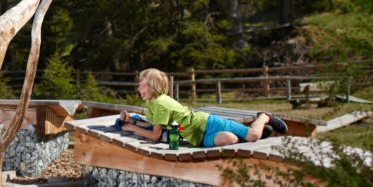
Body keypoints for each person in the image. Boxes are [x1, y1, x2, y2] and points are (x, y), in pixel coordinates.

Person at [117, 68, 288, 148]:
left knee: (253, 136)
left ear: (153, 86)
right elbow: (152, 125)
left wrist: (132, 128)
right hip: (197, 138)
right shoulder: (151, 103)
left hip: (207, 123)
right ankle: (251, 133)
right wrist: (132, 121)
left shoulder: (161, 103)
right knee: (229, 139)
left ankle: (263, 117)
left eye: (142, 85)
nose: (138, 89)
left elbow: (155, 135)